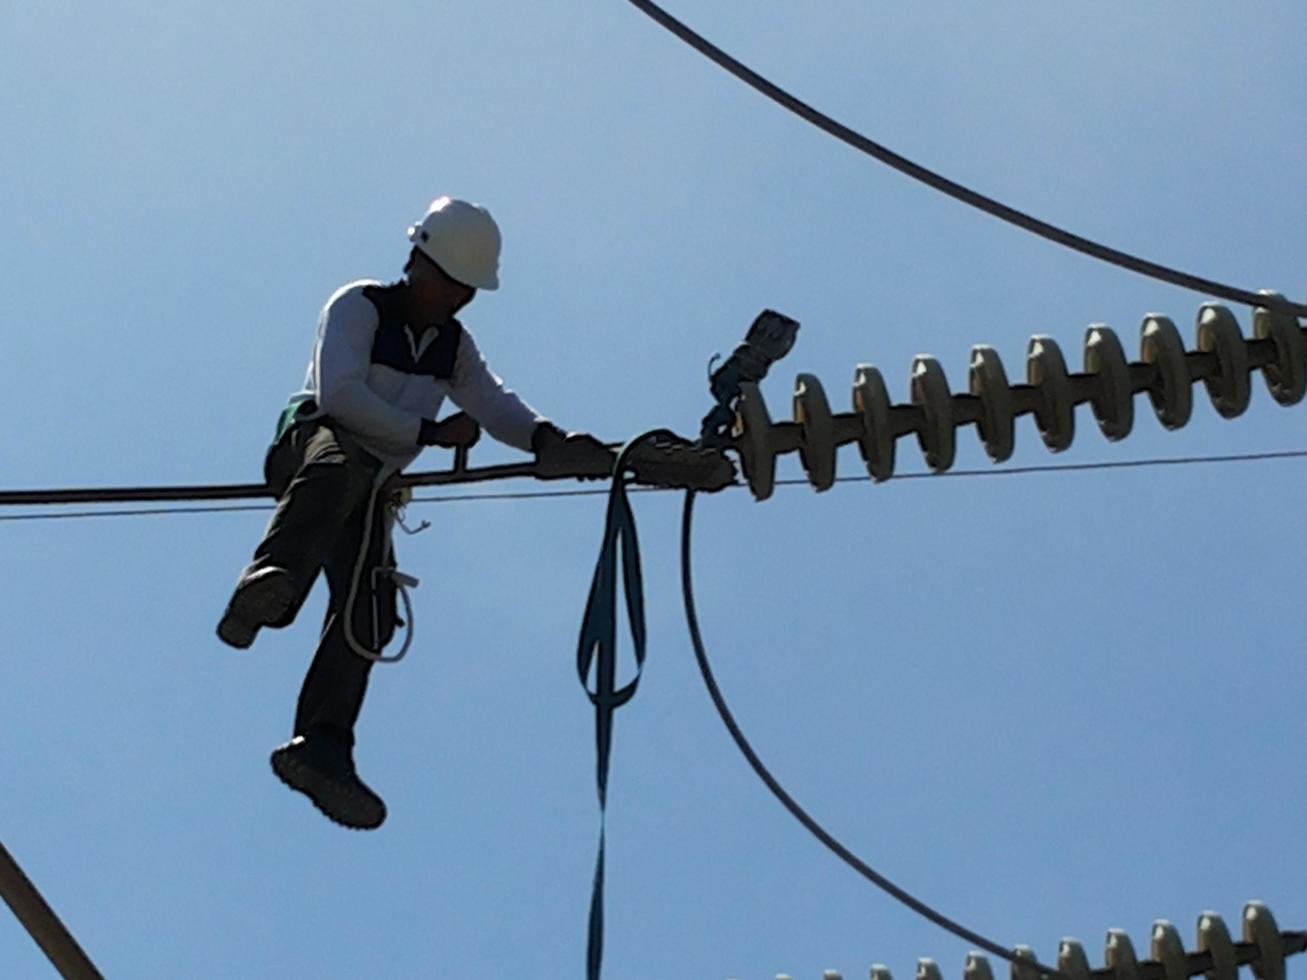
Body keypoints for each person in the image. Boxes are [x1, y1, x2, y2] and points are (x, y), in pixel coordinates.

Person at [216, 196, 613, 830]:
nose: (454, 300)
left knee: (370, 610)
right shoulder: (360, 306)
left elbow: (493, 402)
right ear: (417, 261)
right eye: (449, 283)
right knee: (335, 465)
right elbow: (338, 394)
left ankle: (322, 750)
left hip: (370, 481)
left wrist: (546, 441)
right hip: (314, 444)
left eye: (466, 291)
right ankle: (267, 589)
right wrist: (428, 434)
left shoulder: (452, 347)